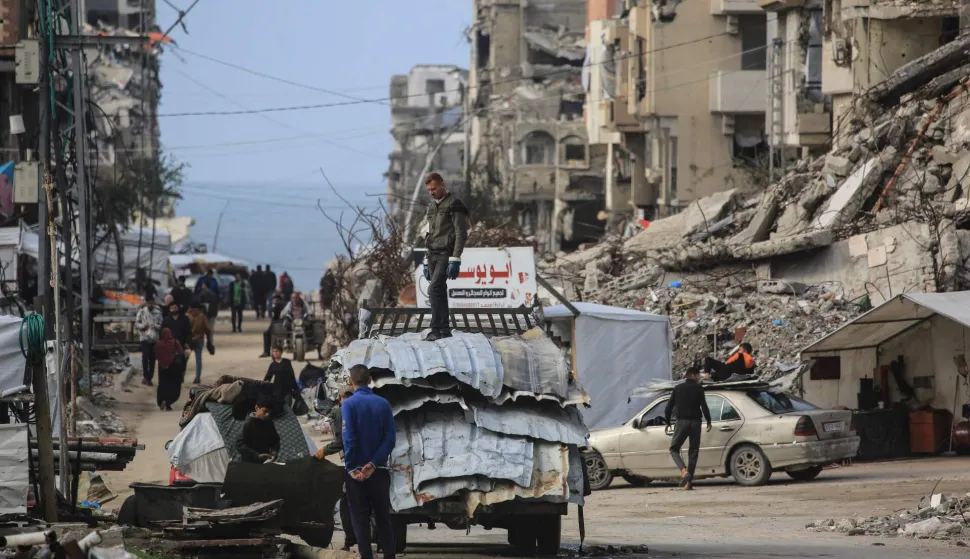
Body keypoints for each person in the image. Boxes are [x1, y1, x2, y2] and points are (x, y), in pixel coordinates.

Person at [342, 365, 396, 559]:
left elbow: (349, 439)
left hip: (356, 472)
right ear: (370, 379)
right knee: (383, 518)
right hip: (379, 470)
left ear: (351, 380)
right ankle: (389, 555)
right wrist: (373, 464)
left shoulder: (349, 404)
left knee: (359, 518)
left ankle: (366, 555)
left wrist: (352, 468)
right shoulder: (383, 404)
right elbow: (390, 439)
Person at [422, 172, 469, 342]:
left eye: (434, 188)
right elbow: (429, 234)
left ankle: (436, 329)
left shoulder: (454, 204)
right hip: (432, 254)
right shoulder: (432, 207)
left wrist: (455, 258)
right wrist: (425, 261)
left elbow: (461, 233)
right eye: (429, 189)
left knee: (433, 290)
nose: (431, 192)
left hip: (445, 254)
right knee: (439, 291)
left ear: (442, 185)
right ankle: (444, 330)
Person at [315, 383, 357, 552]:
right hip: (368, 461)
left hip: (353, 463)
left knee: (347, 502)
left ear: (339, 398)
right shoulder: (360, 408)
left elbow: (340, 442)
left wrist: (323, 451)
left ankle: (350, 540)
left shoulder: (341, 412)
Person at [664, 367, 712, 491]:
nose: (699, 377)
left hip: (682, 422)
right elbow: (704, 406)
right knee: (693, 451)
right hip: (696, 422)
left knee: (674, 448)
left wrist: (668, 421)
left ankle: (684, 471)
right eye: (698, 375)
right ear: (692, 375)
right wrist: (709, 420)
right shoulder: (699, 388)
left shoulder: (678, 389)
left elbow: (668, 408)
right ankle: (688, 483)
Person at [238, 395, 280, 463]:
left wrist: (274, 450)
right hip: (248, 463)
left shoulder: (269, 423)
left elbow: (276, 440)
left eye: (269, 412)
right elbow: (239, 444)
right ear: (257, 408)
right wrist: (256, 455)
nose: (267, 414)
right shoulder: (248, 424)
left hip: (265, 461)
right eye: (265, 411)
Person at [135, 296, 163, 386]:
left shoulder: (158, 313)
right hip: (144, 338)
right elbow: (137, 323)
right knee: (145, 357)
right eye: (148, 303)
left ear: (154, 303)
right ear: (146, 303)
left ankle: (150, 378)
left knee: (152, 359)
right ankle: (145, 376)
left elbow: (161, 325)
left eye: (152, 303)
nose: (150, 304)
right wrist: (143, 326)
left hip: (154, 339)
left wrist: (154, 325)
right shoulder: (142, 312)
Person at [155, 328, 184, 411]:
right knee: (173, 385)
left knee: (163, 385)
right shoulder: (175, 342)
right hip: (174, 367)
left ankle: (162, 400)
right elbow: (181, 352)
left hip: (162, 368)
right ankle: (168, 402)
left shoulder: (159, 344)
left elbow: (156, 355)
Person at [186, 302, 213, 384]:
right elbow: (208, 329)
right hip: (199, 339)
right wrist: (209, 341)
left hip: (188, 341)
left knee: (185, 358)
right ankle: (197, 377)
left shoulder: (186, 316)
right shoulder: (202, 316)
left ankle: (181, 376)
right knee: (198, 359)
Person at [259, 292, 288, 358]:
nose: (275, 301)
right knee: (266, 333)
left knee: (266, 334)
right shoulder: (283, 305)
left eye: (276, 299)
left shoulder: (279, 306)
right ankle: (266, 352)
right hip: (279, 325)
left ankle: (266, 352)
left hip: (280, 325)